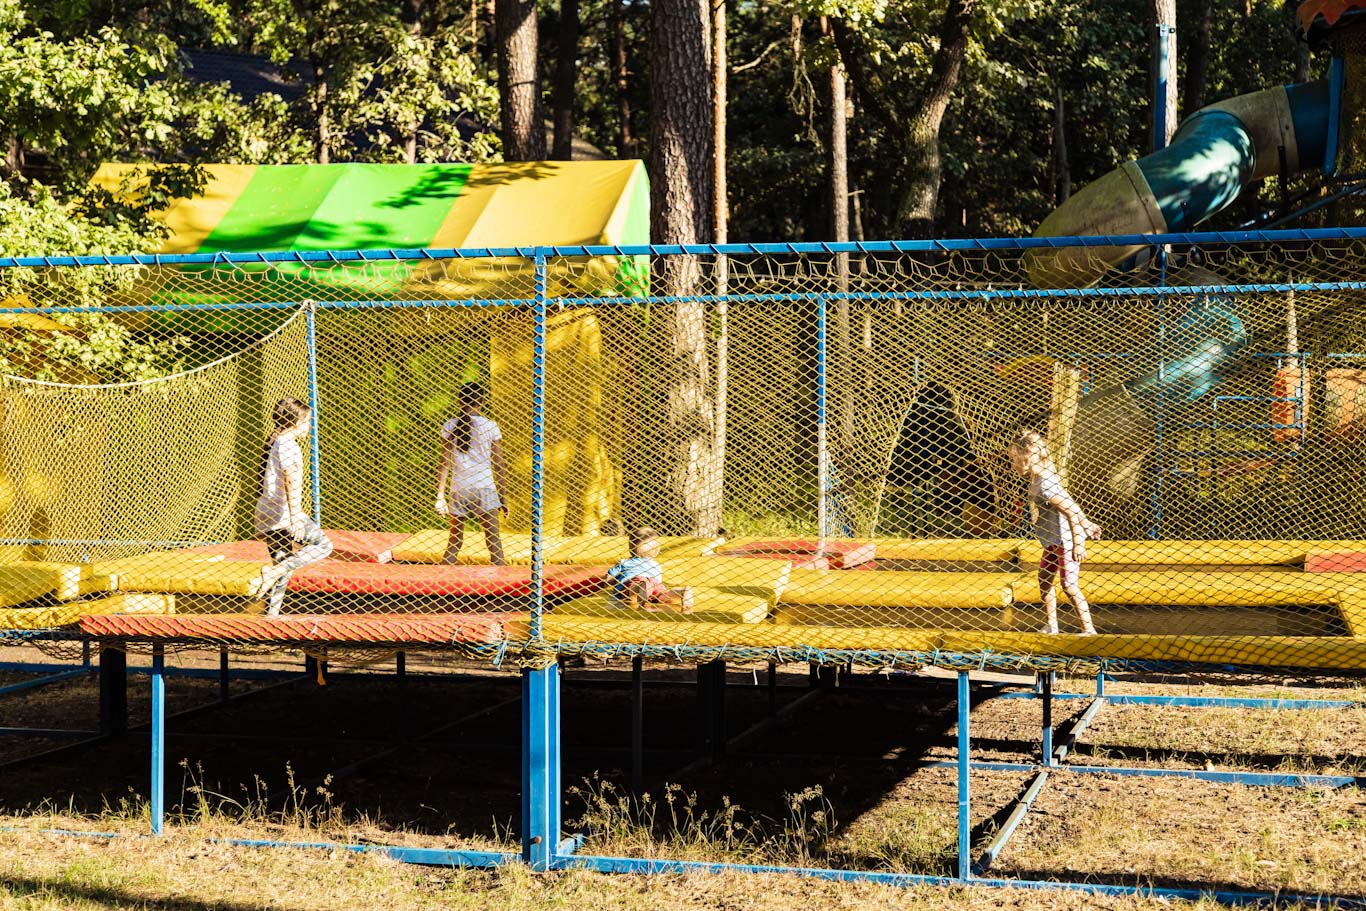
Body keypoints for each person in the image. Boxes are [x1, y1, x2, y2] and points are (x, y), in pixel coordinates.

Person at [1008, 429, 1099, 635]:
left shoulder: (1045, 485)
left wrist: (1078, 544)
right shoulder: (1040, 477)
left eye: (1014, 459)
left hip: (1066, 542)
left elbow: (1069, 512)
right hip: (1052, 541)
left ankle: (1089, 629)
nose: (1012, 464)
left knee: (1069, 586)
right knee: (1044, 580)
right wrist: (1087, 522)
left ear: (1026, 458)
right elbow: (1070, 502)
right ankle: (1051, 625)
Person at [254, 398, 333, 617]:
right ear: (296, 422)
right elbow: (290, 480)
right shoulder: (288, 444)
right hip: (282, 513)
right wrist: (295, 517)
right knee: (323, 545)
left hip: (267, 511)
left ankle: (271, 616)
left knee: (283, 563)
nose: (310, 426)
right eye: (307, 421)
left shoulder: (276, 441)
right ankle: (275, 572)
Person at [435, 382, 508, 566]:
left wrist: (440, 496)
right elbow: (498, 464)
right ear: (481, 402)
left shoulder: (450, 425)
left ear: (460, 401)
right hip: (484, 487)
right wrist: (503, 497)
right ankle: (502, 580)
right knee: (493, 542)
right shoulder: (490, 426)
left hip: (460, 488)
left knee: (454, 542)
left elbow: (444, 463)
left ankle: (440, 579)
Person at [606, 527, 694, 612]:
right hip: (654, 583)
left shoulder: (625, 562)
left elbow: (610, 578)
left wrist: (608, 580)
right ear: (656, 551)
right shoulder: (656, 565)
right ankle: (680, 593)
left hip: (635, 581)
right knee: (661, 595)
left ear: (630, 549)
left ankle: (639, 588)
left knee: (632, 590)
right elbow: (658, 580)